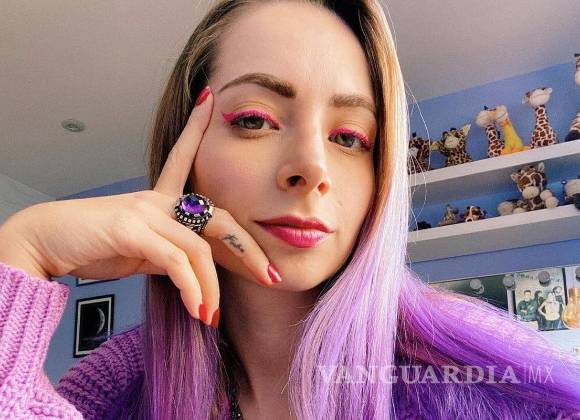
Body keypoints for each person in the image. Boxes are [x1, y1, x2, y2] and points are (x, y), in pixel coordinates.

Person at [1, 1, 579, 419]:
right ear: (186, 148)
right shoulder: (117, 387)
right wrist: (22, 251)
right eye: (255, 120)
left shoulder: (501, 385)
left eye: (350, 137)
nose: (312, 168)